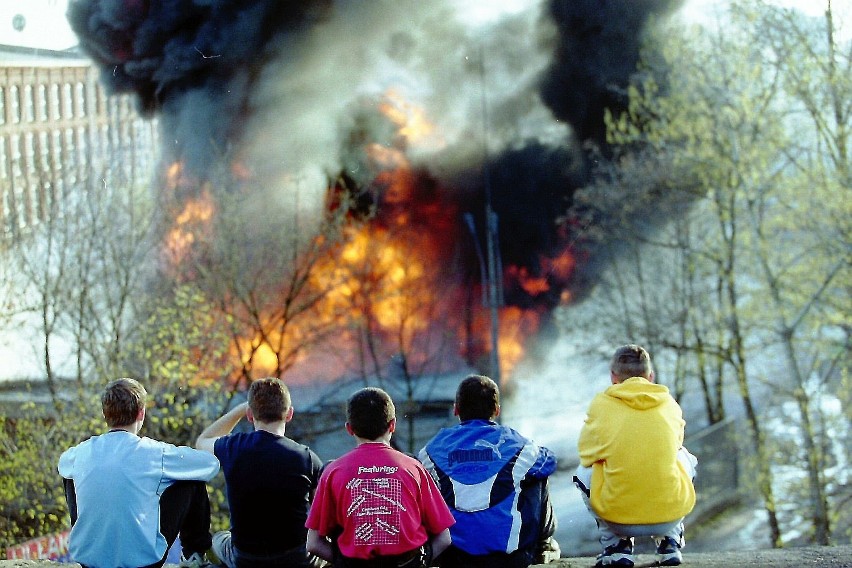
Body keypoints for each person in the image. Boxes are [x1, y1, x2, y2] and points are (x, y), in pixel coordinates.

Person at [58, 377, 220, 568]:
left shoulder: (80, 453)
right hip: (143, 563)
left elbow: (62, 463)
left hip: (88, 560)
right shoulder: (155, 453)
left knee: (70, 474)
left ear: (104, 414)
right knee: (191, 479)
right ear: (141, 413)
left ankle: (91, 541)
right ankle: (196, 555)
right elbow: (210, 466)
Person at [418, 374, 560, 568]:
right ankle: (544, 546)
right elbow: (550, 461)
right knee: (537, 474)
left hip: (451, 556)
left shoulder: (430, 450)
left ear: (456, 409)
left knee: (425, 483)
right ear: (497, 410)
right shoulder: (518, 446)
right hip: (510, 558)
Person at [574, 345, 698, 567]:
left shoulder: (602, 405)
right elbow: (675, 445)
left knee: (582, 472)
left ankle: (617, 546)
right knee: (684, 457)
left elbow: (585, 454)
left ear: (613, 377)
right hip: (670, 513)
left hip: (619, 519)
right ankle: (669, 541)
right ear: (651, 376)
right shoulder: (669, 403)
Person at [305, 387, 455, 568]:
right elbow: (444, 538)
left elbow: (313, 543)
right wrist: (421, 562)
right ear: (392, 425)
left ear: (349, 429)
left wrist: (342, 562)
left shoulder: (333, 473)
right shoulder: (413, 469)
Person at [195, 377, 326, 568]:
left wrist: (241, 408)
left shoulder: (233, 447)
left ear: (250, 415)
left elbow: (203, 441)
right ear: (289, 414)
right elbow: (320, 514)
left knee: (219, 539)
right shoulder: (306, 457)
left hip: (246, 559)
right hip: (296, 558)